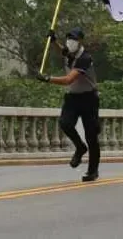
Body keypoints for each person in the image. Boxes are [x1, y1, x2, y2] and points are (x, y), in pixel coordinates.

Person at [36, 27, 101, 182]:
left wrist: (47, 79)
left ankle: (92, 171)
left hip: (89, 99)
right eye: (69, 38)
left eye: (74, 39)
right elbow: (63, 51)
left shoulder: (85, 58)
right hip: (72, 97)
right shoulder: (70, 53)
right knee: (65, 123)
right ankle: (80, 147)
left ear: (80, 41)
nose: (71, 42)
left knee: (91, 135)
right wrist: (53, 41)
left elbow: (68, 79)